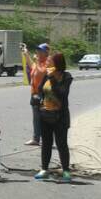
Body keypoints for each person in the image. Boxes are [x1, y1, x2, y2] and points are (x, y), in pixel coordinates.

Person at [34, 52, 73, 183]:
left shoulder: (66, 77)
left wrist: (52, 78)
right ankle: (44, 169)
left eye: (49, 61)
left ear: (57, 63)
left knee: (61, 143)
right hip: (45, 114)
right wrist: (39, 102)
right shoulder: (47, 74)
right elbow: (40, 89)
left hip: (60, 116)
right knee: (46, 143)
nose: (47, 63)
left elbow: (62, 93)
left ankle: (66, 170)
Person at [23, 42, 51, 146]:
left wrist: (37, 60)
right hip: (34, 94)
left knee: (45, 118)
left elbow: (42, 71)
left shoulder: (48, 62)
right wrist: (26, 54)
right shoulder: (38, 62)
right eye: (37, 50)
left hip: (45, 94)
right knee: (36, 117)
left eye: (40, 50)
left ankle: (46, 139)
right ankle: (36, 139)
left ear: (46, 52)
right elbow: (32, 66)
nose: (38, 52)